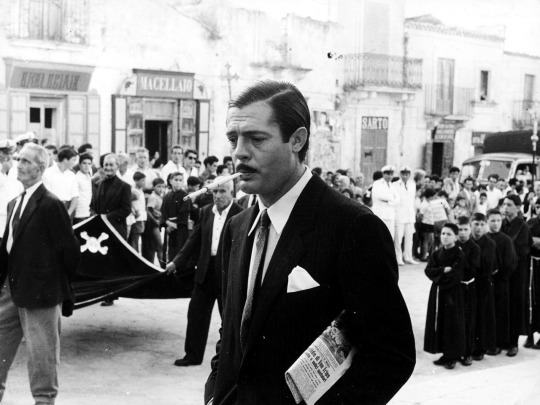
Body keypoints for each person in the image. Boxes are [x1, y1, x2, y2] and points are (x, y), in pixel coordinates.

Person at [205, 81, 415, 405]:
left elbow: (391, 356)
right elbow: (232, 332)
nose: (239, 153)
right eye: (234, 139)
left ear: (297, 140)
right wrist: (214, 394)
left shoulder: (353, 227)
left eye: (256, 139)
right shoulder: (237, 226)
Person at [0, 142, 80, 404]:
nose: (19, 165)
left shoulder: (50, 204)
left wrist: (54, 286)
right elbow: (8, 248)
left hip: (40, 293)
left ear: (40, 168)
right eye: (18, 160)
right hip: (10, 290)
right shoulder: (14, 203)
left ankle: (44, 400)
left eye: (26, 161)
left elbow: (69, 251)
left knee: (41, 356)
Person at [166, 180, 243, 367]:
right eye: (215, 192)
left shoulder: (241, 213)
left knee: (229, 318)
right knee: (196, 314)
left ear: (232, 193)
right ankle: (192, 355)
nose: (218, 196)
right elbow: (193, 240)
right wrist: (176, 262)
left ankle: (230, 361)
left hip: (227, 274)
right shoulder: (206, 211)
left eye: (222, 191)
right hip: (205, 271)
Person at [424, 223, 466, 370]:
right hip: (438, 293)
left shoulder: (459, 254)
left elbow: (456, 275)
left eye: (449, 234)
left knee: (452, 323)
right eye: (443, 234)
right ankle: (444, 353)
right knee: (440, 322)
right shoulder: (437, 253)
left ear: (455, 237)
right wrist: (443, 270)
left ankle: (452, 355)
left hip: (452, 293)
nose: (445, 237)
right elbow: (428, 270)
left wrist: (439, 278)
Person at [502, 195, 533, 356]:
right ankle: (502, 341)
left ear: (518, 207)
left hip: (517, 273)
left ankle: (513, 343)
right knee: (502, 305)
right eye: (504, 204)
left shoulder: (523, 226)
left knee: (515, 306)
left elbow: (522, 251)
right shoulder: (501, 223)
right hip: (502, 272)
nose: (505, 207)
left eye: (509, 205)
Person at [487, 208, 517, 353]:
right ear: (487, 221)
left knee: (500, 312)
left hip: (501, 282)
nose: (496, 223)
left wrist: (498, 274)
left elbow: (510, 263)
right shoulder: (485, 238)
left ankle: (500, 342)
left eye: (498, 220)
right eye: (492, 220)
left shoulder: (506, 240)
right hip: (486, 282)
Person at [470, 212, 497, 360]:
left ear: (485, 226)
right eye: (476, 224)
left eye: (481, 224)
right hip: (468, 284)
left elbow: (488, 267)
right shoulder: (467, 241)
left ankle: (480, 348)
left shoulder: (490, 244)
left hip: (483, 284)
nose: (479, 228)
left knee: (481, 316)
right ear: (471, 225)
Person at [455, 216, 480, 366]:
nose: (462, 233)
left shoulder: (474, 248)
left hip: (468, 287)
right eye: (459, 230)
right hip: (454, 288)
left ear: (470, 230)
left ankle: (468, 353)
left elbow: (472, 270)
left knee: (468, 321)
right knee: (454, 321)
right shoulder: (452, 245)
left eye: (465, 229)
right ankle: (453, 353)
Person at [91, 154, 132, 240]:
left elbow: (126, 209)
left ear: (117, 166)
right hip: (99, 230)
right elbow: (92, 205)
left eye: (111, 165)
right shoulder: (97, 184)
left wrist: (106, 217)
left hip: (116, 230)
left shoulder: (124, 186)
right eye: (106, 165)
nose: (108, 168)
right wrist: (94, 216)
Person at [42, 146, 79, 218]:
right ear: (65, 160)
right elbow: (46, 196)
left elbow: (75, 196)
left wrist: (69, 212)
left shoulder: (72, 175)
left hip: (68, 209)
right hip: (52, 209)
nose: (74, 163)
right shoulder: (47, 173)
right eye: (73, 160)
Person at [161, 172, 190, 261]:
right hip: (168, 228)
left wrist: (174, 225)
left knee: (179, 251)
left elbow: (184, 214)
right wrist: (167, 223)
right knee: (168, 251)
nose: (178, 182)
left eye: (180, 180)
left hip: (180, 229)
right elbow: (163, 213)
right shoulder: (166, 196)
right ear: (170, 181)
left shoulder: (185, 196)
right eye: (176, 180)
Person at [392, 166, 417, 265]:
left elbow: (412, 201)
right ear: (400, 174)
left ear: (409, 175)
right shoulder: (395, 185)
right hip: (399, 215)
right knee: (398, 238)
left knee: (409, 238)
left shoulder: (412, 184)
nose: (405, 176)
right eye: (403, 174)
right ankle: (398, 258)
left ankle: (408, 257)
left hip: (410, 215)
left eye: (407, 174)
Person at [0, 140, 23, 242]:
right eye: (5, 153)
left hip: (13, 212)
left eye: (10, 153)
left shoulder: (16, 167)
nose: (8, 156)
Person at [142, 178, 166, 266]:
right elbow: (148, 211)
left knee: (157, 246)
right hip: (153, 224)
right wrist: (155, 221)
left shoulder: (160, 196)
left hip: (158, 223)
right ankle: (162, 266)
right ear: (154, 187)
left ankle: (161, 265)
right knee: (159, 246)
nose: (161, 189)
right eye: (159, 186)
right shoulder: (153, 197)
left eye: (163, 187)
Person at [371, 165, 399, 239]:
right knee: (379, 236)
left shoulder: (392, 186)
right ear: (383, 174)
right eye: (387, 174)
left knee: (390, 237)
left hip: (390, 214)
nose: (389, 176)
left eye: (391, 174)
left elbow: (398, 199)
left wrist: (389, 201)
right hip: (380, 214)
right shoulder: (377, 183)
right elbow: (380, 196)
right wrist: (391, 198)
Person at [526, 201, 540, 349]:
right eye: (538, 207)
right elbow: (527, 240)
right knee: (530, 300)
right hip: (531, 265)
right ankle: (529, 335)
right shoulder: (530, 223)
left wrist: (536, 241)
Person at [128, 171, 147, 252]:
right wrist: (133, 210)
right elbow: (128, 202)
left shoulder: (140, 190)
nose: (144, 182)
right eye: (142, 180)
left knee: (137, 240)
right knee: (134, 241)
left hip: (142, 218)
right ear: (136, 181)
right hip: (137, 219)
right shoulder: (134, 192)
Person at [74, 152, 94, 224]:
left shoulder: (88, 176)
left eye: (89, 164)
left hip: (88, 212)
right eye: (84, 163)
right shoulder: (76, 178)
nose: (87, 166)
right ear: (79, 164)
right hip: (79, 214)